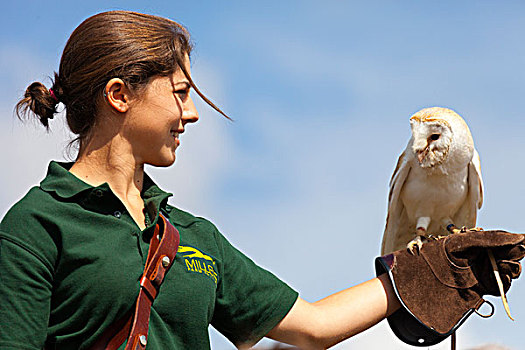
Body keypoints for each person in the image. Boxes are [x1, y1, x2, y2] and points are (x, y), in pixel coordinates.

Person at [1, 10, 523, 350]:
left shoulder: (191, 236)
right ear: (120, 95)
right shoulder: (37, 226)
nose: (192, 113)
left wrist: (424, 272)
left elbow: (312, 326)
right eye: (180, 92)